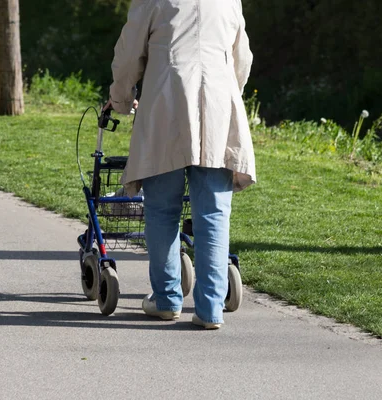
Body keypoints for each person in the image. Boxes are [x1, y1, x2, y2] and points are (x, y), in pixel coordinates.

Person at [105, 0, 256, 329]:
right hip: (217, 104)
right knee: (213, 212)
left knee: (162, 209)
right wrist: (231, 92)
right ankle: (210, 309)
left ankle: (167, 299)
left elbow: (129, 54)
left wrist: (119, 99)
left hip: (167, 102)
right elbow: (241, 58)